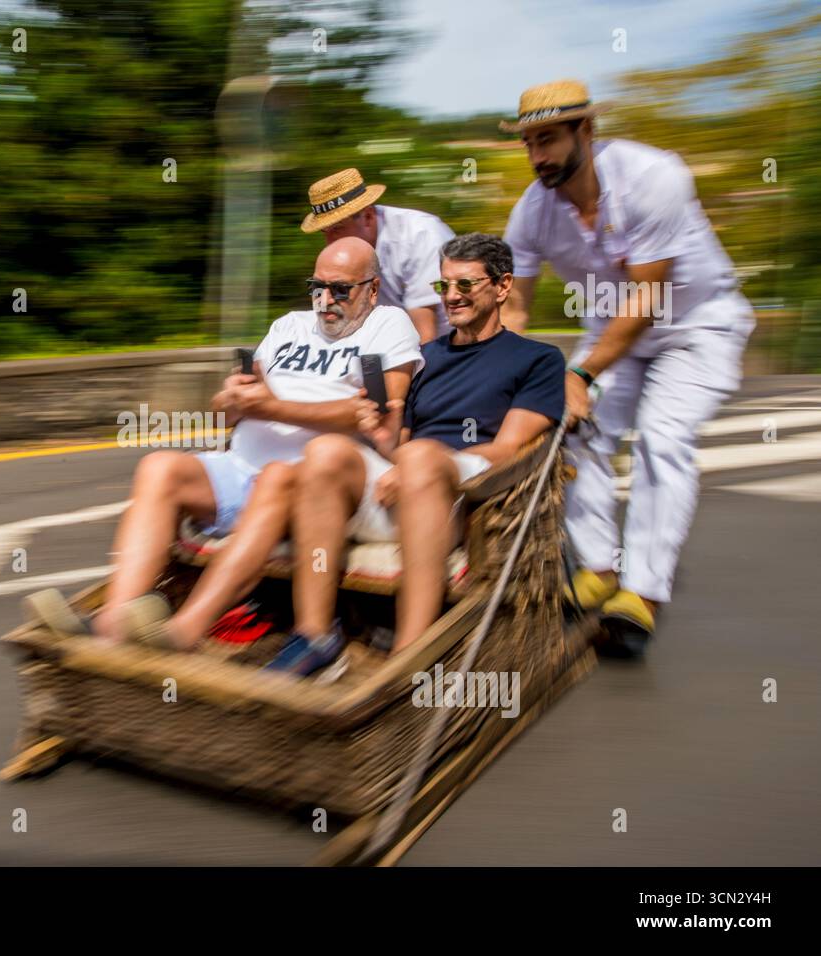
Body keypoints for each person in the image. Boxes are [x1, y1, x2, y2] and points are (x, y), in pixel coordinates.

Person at [23, 237, 423, 649]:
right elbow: (235, 406)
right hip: (241, 466)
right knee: (159, 468)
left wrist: (270, 408)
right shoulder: (289, 325)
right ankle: (112, 619)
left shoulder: (388, 325)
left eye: (340, 289)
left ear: (372, 289)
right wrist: (231, 399)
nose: (325, 299)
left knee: (276, 477)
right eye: (316, 287)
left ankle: (184, 631)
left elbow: (379, 414)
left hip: (313, 483)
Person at [498, 80, 755, 655]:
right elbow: (515, 305)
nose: (538, 156)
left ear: (586, 132)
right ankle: (599, 569)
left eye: (548, 140)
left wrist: (580, 375)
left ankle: (643, 592)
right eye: (528, 144)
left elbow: (648, 300)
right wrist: (509, 377)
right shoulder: (531, 214)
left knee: (662, 439)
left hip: (695, 327)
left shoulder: (654, 177)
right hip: (611, 330)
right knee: (573, 431)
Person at [274, 234, 564, 676]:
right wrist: (384, 438)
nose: (451, 297)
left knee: (423, 455)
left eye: (464, 285)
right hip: (404, 488)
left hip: (471, 493)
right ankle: (314, 635)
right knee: (327, 450)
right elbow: (399, 443)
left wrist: (419, 461)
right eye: (443, 286)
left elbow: (509, 449)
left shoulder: (537, 360)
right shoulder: (424, 357)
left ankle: (410, 656)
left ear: (503, 286)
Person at [303, 168, 456, 344]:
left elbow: (424, 336)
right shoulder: (349, 249)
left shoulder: (421, 236)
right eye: (324, 231)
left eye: (338, 228)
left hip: (448, 351)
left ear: (367, 216)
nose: (330, 242)